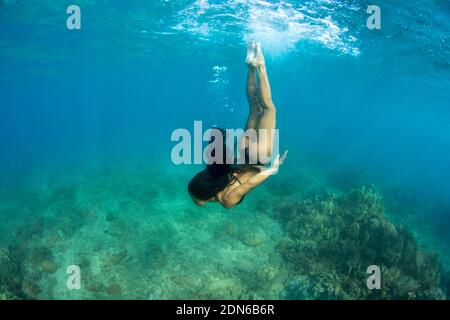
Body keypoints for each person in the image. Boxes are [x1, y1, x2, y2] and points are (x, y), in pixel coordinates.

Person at [188, 42, 287, 208]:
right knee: (254, 107)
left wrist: (273, 169)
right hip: (243, 152)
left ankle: (260, 66)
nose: (192, 200)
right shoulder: (216, 178)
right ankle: (250, 67)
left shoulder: (226, 200)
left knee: (269, 108)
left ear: (205, 196)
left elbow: (248, 184)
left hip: (258, 157)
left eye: (193, 198)